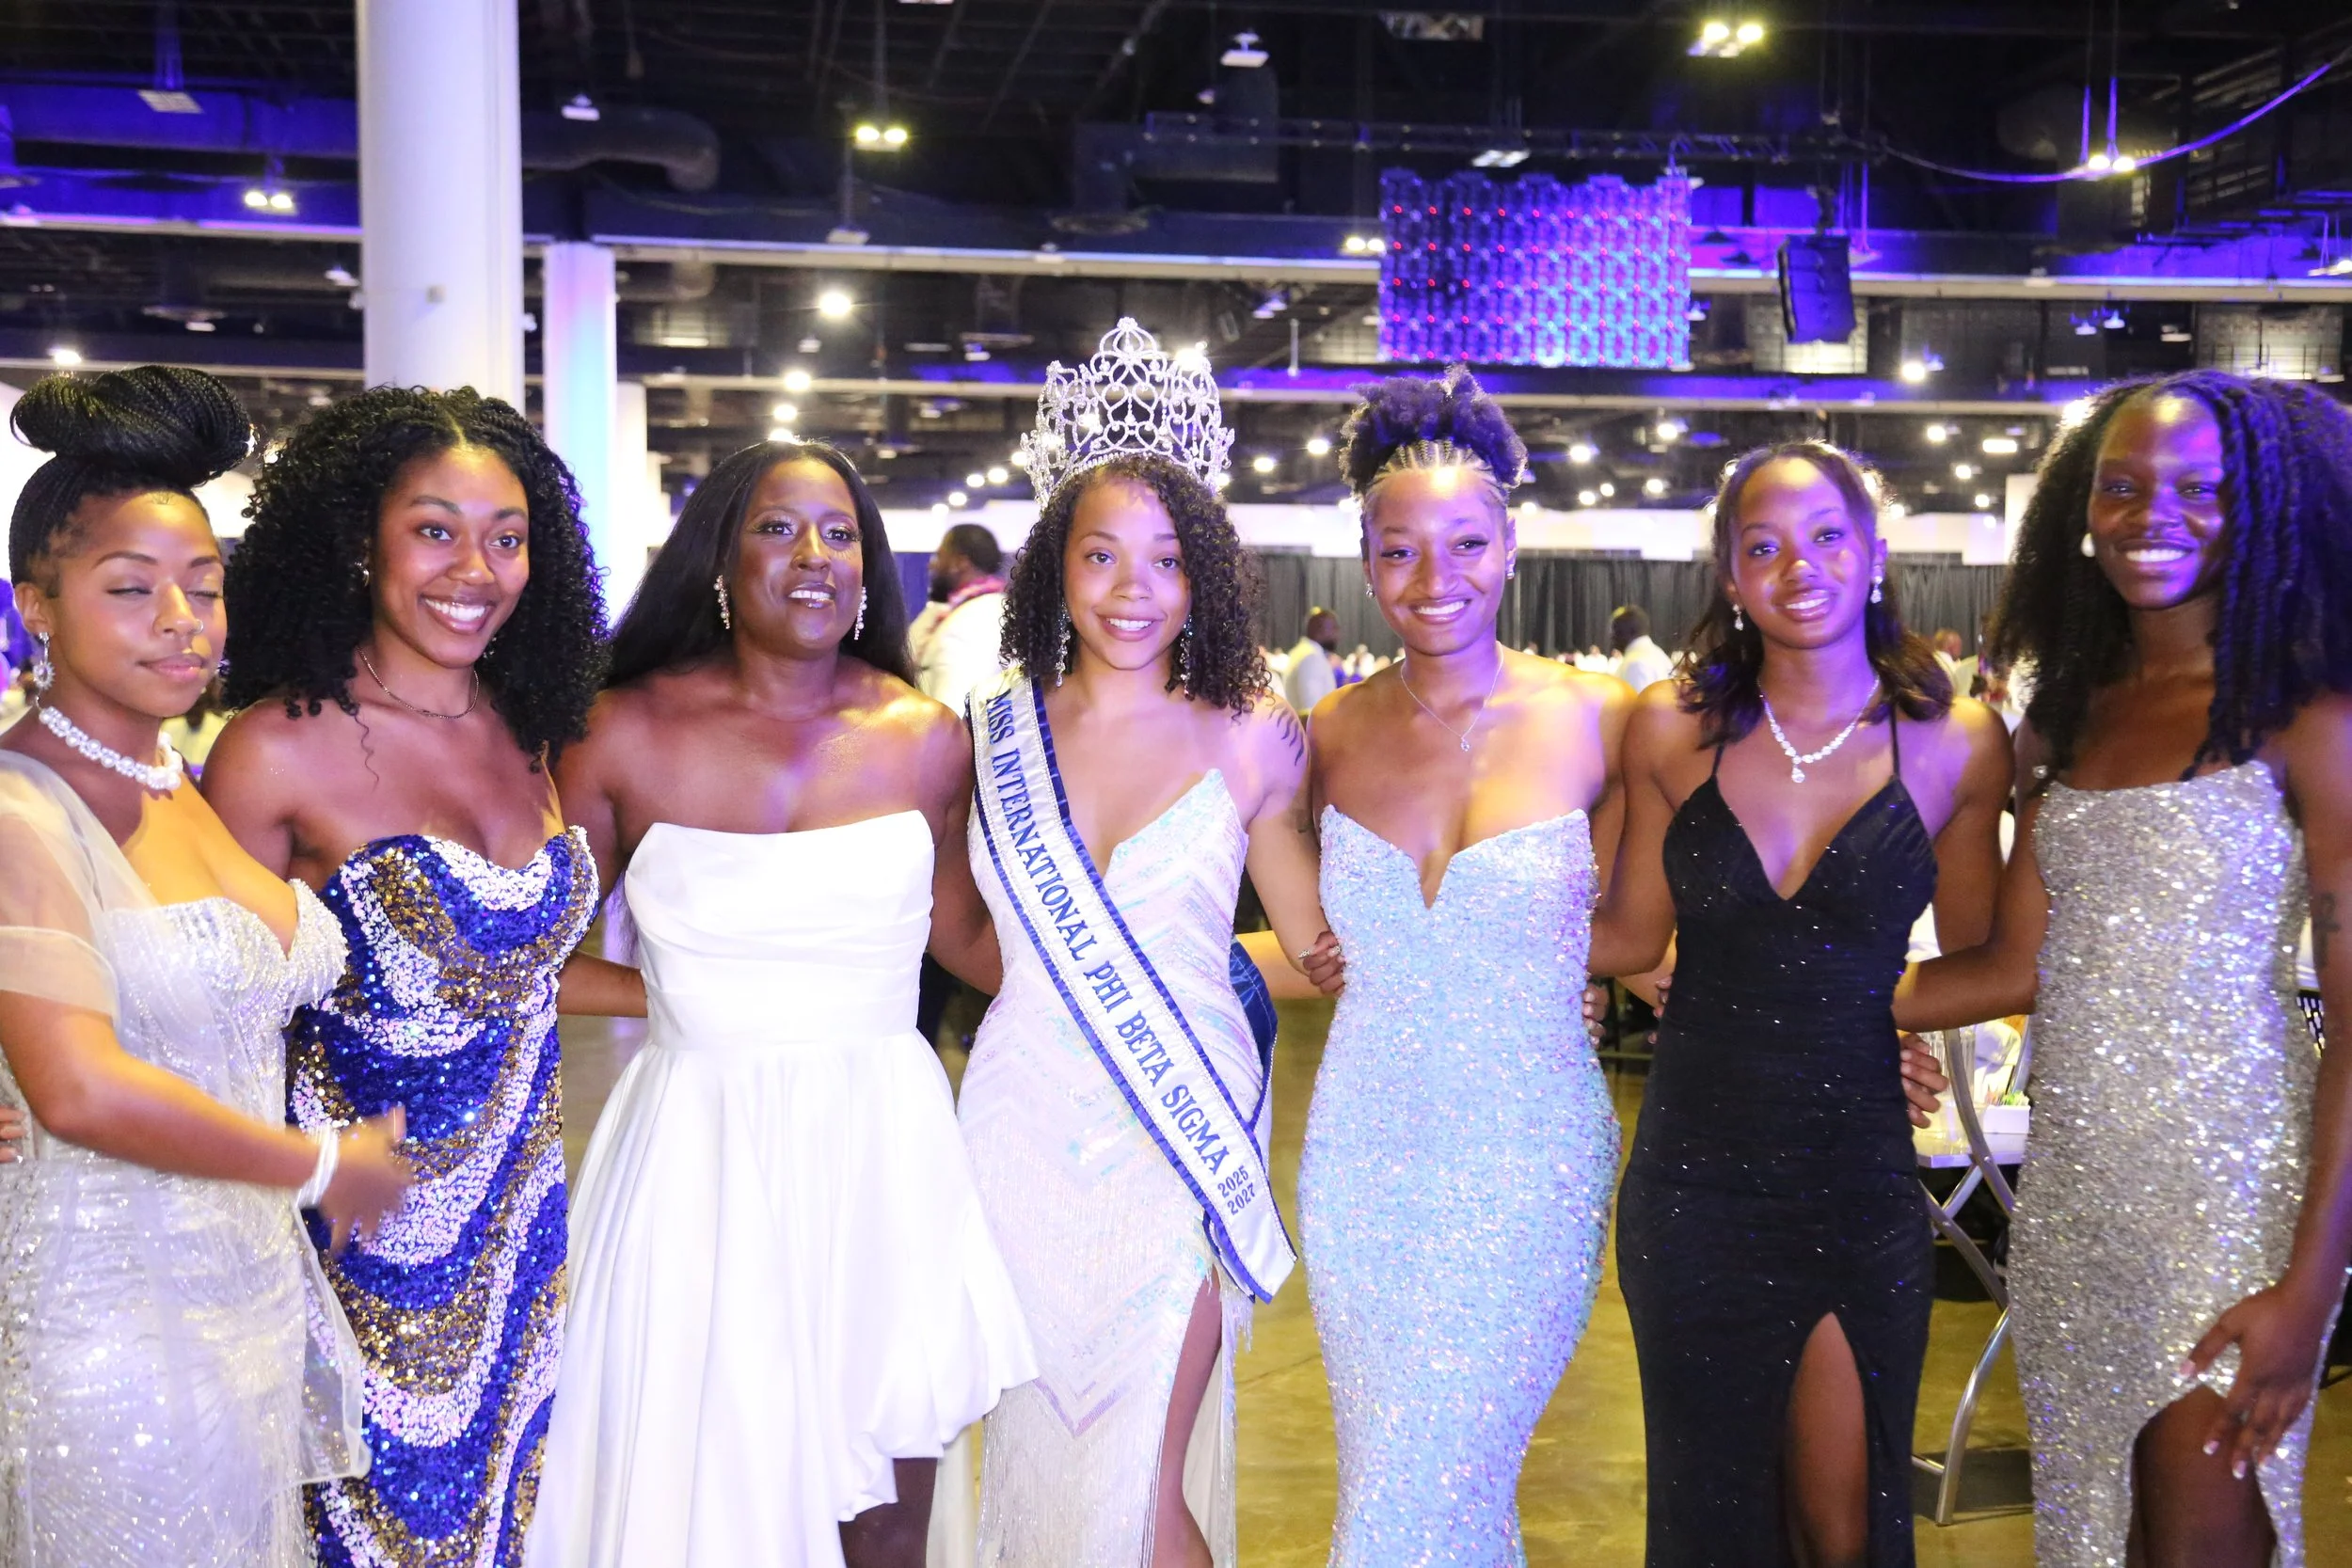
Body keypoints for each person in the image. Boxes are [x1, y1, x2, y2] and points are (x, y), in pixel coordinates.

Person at [531, 438, 1033, 1568]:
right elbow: (535, 955)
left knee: (886, 1502)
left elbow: (964, 937)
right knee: (696, 1479)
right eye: (776, 528)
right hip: (693, 1152)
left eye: (840, 532)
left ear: (870, 568)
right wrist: (682, 995)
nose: (812, 556)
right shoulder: (618, 732)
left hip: (883, 1149)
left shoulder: (927, 740)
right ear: (718, 556)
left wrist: (1154, 969)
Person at [1896, 370, 2352, 1568]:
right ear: (2078, 511)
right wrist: (1773, 998)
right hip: (2078, 1198)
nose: (2154, 512)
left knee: (2196, 1532)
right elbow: (2010, 964)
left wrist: (2309, 1295)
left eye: (2202, 489)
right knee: (2094, 1534)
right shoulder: (2074, 713)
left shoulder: (2308, 716)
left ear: (2261, 507)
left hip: (2229, 1192)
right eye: (2122, 485)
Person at [204, 386, 628, 1568]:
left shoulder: (533, 730)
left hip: (523, 1239)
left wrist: (721, 993)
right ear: (361, 538)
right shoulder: (278, 744)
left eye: (507, 536)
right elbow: (209, 1009)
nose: (476, 567)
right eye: (435, 529)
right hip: (355, 1246)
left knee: (505, 1524)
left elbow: (514, 977)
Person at [0, 365, 409, 1565]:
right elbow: (76, 1087)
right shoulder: (24, 808)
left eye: (203, 585)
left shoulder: (179, 771)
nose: (181, 620)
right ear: (37, 605)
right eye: (131, 589)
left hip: (246, 1298)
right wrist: (323, 1160)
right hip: (110, 1322)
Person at [958, 319, 1340, 1568]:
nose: (1133, 587)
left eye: (1167, 560)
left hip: (1177, 1130)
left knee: (1142, 1476)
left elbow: (1318, 939)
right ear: (1053, 569)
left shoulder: (1252, 735)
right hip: (1015, 1128)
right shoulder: (986, 731)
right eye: (1103, 554)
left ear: (1206, 577)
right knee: (1035, 1454)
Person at [1587, 439, 2010, 1567]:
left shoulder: (1954, 739)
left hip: (1852, 1171)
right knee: (1712, 1506)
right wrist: (1436, 946)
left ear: (1872, 554)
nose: (1797, 565)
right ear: (1729, 574)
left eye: (1826, 536)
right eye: (1760, 545)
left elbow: (1981, 954)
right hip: (1694, 1178)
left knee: (1840, 1516)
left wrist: (1883, 1017)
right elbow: (1624, 934)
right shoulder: (1668, 728)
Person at [1296, 368, 1631, 1562]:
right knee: (1419, 1480)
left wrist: (1877, 1021)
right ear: (1365, 559)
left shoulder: (1602, 719)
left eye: (1466, 543)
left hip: (1528, 1150)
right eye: (1399, 550)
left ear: (1510, 546)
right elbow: (1303, 945)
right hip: (1360, 1152)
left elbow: (1675, 927)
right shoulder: (1323, 736)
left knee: (1418, 1486)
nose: (1433, 581)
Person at [915, 521, 1009, 718]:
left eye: (939, 556)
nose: (932, 564)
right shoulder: (986, 608)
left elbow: (954, 713)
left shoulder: (974, 620)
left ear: (961, 563)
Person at [1281, 606, 1340, 713]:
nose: (1337, 634)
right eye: (1333, 628)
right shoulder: (1311, 658)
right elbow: (1312, 711)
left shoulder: (1302, 652)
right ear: (1317, 629)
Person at [1609, 603, 1674, 692]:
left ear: (1629, 632)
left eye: (1615, 632)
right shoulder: (1658, 654)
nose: (1612, 638)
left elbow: (1639, 704)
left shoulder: (1636, 664)